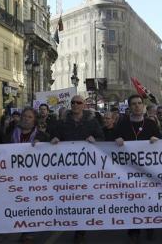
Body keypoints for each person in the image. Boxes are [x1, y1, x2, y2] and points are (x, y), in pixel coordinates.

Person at [50, 95, 104, 244]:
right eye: (72, 102)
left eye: (78, 102)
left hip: (86, 169)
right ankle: (69, 221)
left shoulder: (92, 122)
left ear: (84, 105)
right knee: (69, 198)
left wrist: (95, 140)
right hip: (66, 168)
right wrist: (54, 139)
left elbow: (102, 138)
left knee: (82, 199)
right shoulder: (62, 122)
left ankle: (80, 230)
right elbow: (53, 137)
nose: (75, 104)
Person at [114, 94, 161, 244]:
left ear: (143, 106)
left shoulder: (150, 123)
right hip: (128, 172)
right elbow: (110, 143)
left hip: (148, 171)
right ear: (129, 107)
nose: (137, 106)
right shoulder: (122, 124)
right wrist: (116, 140)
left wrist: (156, 140)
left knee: (149, 200)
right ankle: (134, 230)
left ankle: (150, 227)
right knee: (132, 201)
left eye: (139, 103)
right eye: (134, 104)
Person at [4, 107, 49, 244]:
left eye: (29, 117)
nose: (25, 118)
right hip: (13, 176)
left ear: (34, 120)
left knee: (31, 204)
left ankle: (29, 232)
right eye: (24, 116)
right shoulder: (10, 134)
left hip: (34, 178)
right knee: (17, 203)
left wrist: (43, 144)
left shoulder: (42, 136)